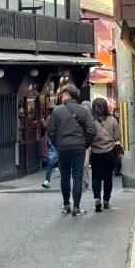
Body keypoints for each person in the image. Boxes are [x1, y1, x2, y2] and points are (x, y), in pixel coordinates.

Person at [47, 84, 97, 216]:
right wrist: (85, 144)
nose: (61, 97)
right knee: (77, 176)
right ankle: (77, 207)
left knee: (65, 176)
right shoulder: (84, 111)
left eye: (62, 95)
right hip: (78, 147)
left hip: (63, 148)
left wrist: (57, 144)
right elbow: (92, 130)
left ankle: (66, 205)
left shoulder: (57, 111)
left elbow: (51, 131)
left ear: (67, 96)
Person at [88, 97, 122, 211]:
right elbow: (118, 136)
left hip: (96, 153)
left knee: (96, 177)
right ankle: (106, 201)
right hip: (110, 153)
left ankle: (97, 198)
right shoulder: (112, 120)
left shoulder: (91, 121)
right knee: (108, 178)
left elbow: (87, 137)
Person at [40, 106, 57, 189]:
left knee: (50, 161)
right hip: (61, 142)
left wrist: (42, 120)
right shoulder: (64, 118)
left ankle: (47, 180)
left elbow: (46, 125)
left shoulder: (51, 117)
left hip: (53, 141)